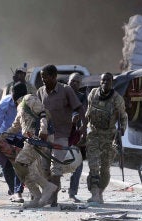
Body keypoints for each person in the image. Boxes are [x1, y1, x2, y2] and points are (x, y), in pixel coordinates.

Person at [37, 64, 85, 206]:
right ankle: (50, 196)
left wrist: (83, 128)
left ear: (54, 77)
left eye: (45, 77)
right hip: (45, 137)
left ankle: (52, 199)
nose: (43, 79)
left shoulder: (66, 90)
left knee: (55, 168)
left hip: (61, 136)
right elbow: (38, 113)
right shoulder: (40, 92)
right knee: (44, 169)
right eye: (42, 77)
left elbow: (79, 108)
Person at [5, 93, 58, 208]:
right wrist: (2, 136)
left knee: (20, 163)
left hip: (38, 139)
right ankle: (37, 196)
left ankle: (46, 187)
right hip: (30, 140)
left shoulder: (29, 98)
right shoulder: (20, 108)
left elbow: (42, 113)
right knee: (26, 169)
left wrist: (43, 129)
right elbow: (15, 126)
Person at [85, 72, 128, 204]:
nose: (105, 83)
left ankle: (100, 192)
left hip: (109, 137)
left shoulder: (117, 99)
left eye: (108, 81)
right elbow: (88, 111)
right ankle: (95, 193)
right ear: (100, 81)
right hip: (94, 134)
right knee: (93, 165)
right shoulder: (93, 93)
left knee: (105, 168)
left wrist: (121, 133)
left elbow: (123, 117)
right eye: (103, 81)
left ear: (112, 83)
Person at [0, 81, 29, 202]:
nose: (16, 101)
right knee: (7, 164)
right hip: (5, 136)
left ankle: (18, 191)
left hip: (21, 136)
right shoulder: (5, 103)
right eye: (14, 97)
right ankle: (13, 190)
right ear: (11, 94)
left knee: (20, 163)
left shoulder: (28, 103)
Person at [67, 72, 87, 202]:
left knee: (78, 164)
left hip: (73, 134)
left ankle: (72, 193)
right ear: (68, 81)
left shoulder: (81, 97)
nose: (74, 83)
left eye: (77, 82)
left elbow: (82, 111)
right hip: (58, 133)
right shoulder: (60, 93)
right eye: (72, 81)